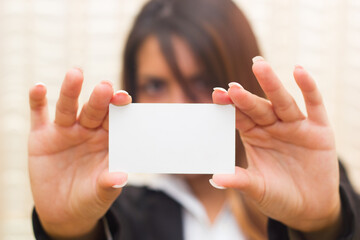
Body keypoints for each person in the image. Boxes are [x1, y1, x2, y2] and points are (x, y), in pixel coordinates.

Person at [28, 0, 360, 239]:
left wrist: (325, 225)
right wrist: (67, 232)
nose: (177, 105)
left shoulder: (310, 184)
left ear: (239, 81)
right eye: (155, 85)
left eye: (201, 83)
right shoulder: (116, 209)